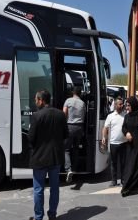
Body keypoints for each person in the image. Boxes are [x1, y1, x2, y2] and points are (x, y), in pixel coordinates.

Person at [28, 90, 68, 220]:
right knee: (54, 188)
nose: (35, 102)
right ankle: (52, 215)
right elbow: (65, 135)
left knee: (38, 189)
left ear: (41, 100)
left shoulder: (36, 116)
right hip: (55, 157)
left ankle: (38, 217)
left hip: (39, 158)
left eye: (36, 100)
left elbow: (31, 139)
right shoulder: (60, 115)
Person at [121, 96, 138, 197]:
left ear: (133, 105)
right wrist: (126, 133)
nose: (127, 107)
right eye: (126, 105)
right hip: (130, 145)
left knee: (134, 165)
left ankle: (127, 188)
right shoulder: (127, 117)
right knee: (132, 164)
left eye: (128, 105)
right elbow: (124, 127)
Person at [102, 97, 127, 187]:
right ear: (115, 105)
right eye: (120, 104)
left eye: (122, 104)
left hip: (124, 143)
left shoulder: (125, 115)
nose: (122, 105)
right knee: (113, 163)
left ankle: (123, 181)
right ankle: (114, 181)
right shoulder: (110, 116)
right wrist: (104, 138)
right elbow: (105, 128)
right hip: (113, 144)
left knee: (123, 163)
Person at [63, 86, 86, 183]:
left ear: (73, 92)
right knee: (76, 148)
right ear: (80, 93)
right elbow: (84, 116)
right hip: (79, 127)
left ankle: (69, 169)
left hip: (69, 127)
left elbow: (64, 114)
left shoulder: (68, 101)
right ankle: (75, 168)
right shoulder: (83, 103)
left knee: (66, 149)